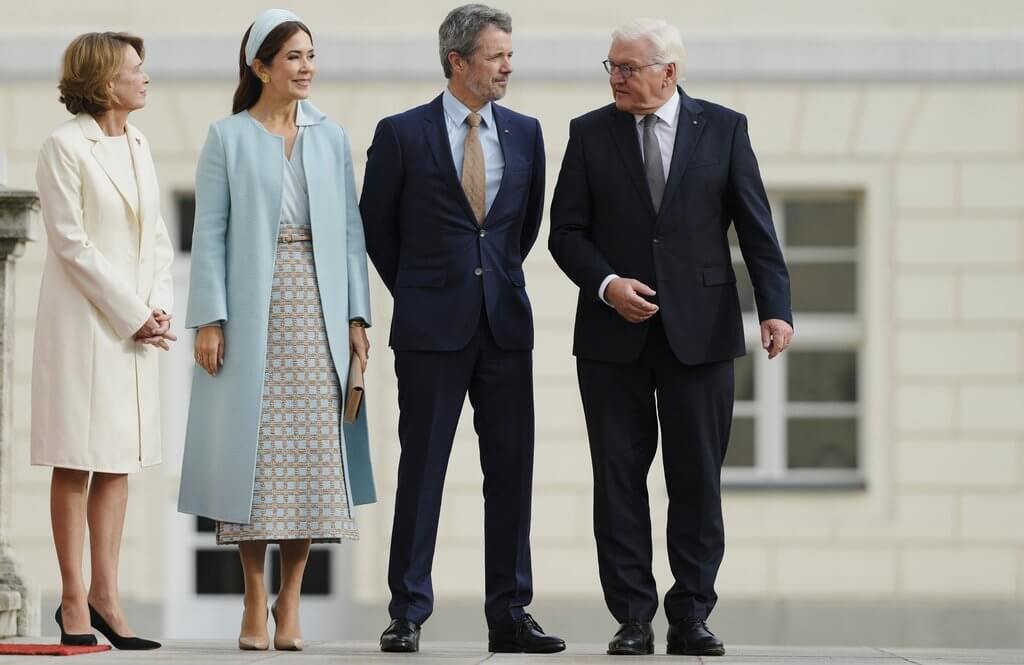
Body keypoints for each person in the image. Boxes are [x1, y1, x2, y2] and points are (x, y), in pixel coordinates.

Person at [549, 18, 794, 657]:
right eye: (611, 67)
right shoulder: (588, 133)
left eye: (628, 68)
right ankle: (632, 617)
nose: (616, 79)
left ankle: (691, 616)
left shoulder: (724, 128)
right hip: (612, 339)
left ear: (669, 72)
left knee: (696, 481)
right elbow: (566, 233)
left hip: (703, 334)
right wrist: (607, 284)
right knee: (619, 480)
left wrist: (777, 309)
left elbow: (756, 226)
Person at [360, 3, 563, 655]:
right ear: (457, 61)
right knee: (422, 470)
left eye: (509, 54)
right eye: (497, 55)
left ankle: (510, 614)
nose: (509, 65)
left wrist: (490, 281)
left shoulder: (528, 133)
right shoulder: (401, 134)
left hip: (505, 327)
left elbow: (522, 229)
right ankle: (408, 612)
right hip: (429, 331)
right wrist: (421, 292)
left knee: (511, 472)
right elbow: (378, 230)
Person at [177, 8, 374, 652]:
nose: (306, 67)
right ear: (259, 66)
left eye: (310, 55)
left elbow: (349, 235)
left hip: (317, 308)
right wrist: (210, 318)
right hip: (249, 308)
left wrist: (356, 319)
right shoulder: (227, 136)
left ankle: (291, 599)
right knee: (253, 460)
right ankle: (253, 598)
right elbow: (209, 233)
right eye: (292, 57)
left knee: (313, 461)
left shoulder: (330, 135)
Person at [32, 31, 174, 650]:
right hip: (85, 327)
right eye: (135, 69)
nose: (146, 78)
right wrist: (131, 313)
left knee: (119, 459)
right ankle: (71, 601)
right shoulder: (64, 147)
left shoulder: (140, 143)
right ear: (104, 81)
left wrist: (158, 308)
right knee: (77, 456)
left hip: (136, 326)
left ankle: (106, 597)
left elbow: (158, 239)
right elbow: (72, 244)